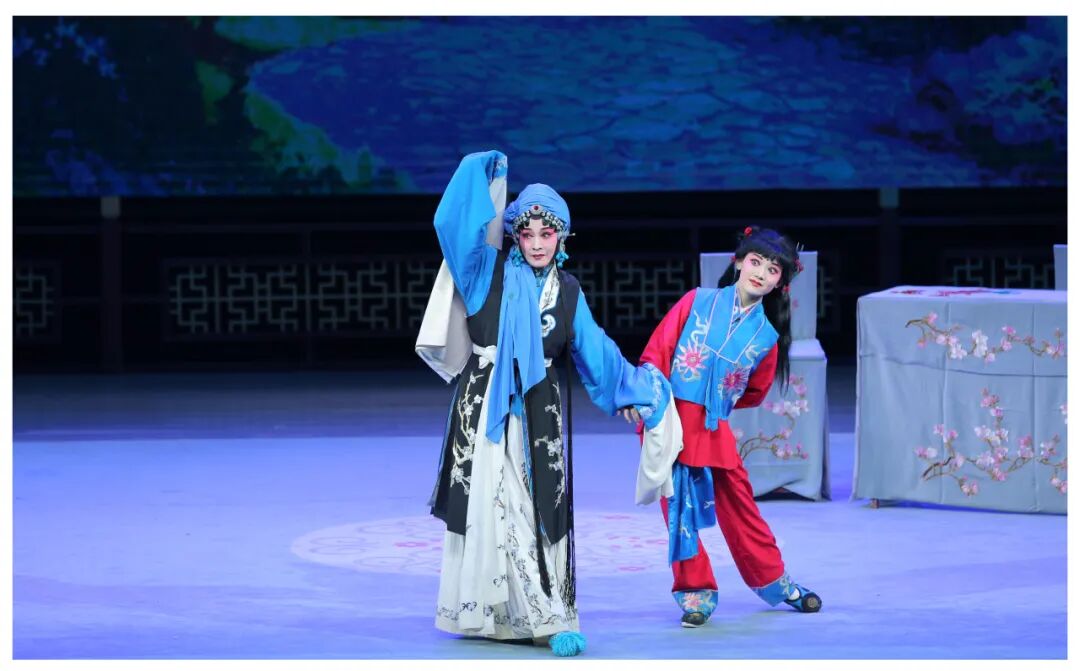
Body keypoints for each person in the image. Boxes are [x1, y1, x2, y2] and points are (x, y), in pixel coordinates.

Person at [415, 150, 680, 656]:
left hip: (539, 409)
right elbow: (451, 224)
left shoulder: (567, 291)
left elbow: (598, 352)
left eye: (547, 233)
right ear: (514, 234)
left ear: (563, 237)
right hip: (486, 405)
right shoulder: (484, 272)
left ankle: (531, 611)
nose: (537, 243)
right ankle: (538, 617)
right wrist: (480, 169)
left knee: (536, 508)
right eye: (527, 233)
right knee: (497, 505)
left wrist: (636, 392)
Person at [636, 225, 822, 628]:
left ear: (780, 283)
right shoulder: (696, 301)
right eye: (755, 262)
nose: (761, 273)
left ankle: (775, 582)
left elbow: (754, 392)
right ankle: (695, 593)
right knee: (680, 511)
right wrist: (651, 406)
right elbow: (656, 354)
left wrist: (717, 397)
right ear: (738, 262)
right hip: (671, 421)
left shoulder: (767, 337)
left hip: (712, 426)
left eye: (772, 270)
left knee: (741, 507)